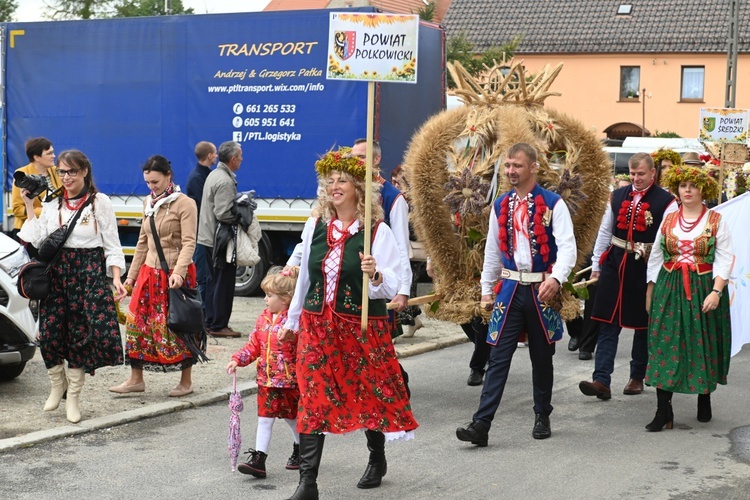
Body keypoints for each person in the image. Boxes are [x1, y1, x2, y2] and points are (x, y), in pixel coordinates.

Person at [280, 147, 418, 500]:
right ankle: (307, 483)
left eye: (342, 180)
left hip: (359, 327)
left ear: (358, 187)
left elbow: (388, 287)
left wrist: (375, 275)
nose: (335, 186)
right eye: (331, 181)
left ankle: (377, 456)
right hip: (317, 327)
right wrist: (292, 320)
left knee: (368, 393)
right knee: (312, 397)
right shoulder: (315, 225)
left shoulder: (377, 232)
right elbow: (306, 282)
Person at [455, 142, 576, 445]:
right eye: (507, 166)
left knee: (542, 356)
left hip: (541, 290)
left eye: (517, 166)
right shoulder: (500, 205)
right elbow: (493, 253)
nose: (510, 171)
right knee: (497, 356)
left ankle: (542, 414)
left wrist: (557, 278)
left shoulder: (553, 204)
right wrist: (486, 290)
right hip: (509, 290)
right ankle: (481, 424)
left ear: (533, 167)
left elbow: (568, 249)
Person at [18, 150, 127, 423]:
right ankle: (58, 385)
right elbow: (37, 238)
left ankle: (74, 397)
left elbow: (112, 244)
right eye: (63, 172)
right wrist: (31, 205)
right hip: (58, 271)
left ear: (85, 172)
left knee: (80, 335)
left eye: (72, 172)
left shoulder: (99, 202)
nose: (66, 177)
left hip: (87, 271)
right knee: (50, 332)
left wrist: (116, 278)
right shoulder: (54, 202)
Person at [579, 153, 675, 400]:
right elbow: (605, 231)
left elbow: (667, 239)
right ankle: (601, 380)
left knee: (642, 323)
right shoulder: (618, 195)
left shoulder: (667, 202)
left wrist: (657, 269)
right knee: (607, 321)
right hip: (615, 264)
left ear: (652, 173)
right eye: (632, 174)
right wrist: (596, 264)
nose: (636, 178)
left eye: (641, 174)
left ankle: (636, 376)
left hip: (645, 267)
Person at [643, 166, 732, 431]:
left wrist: (716, 292)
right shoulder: (669, 218)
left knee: (701, 341)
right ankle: (663, 411)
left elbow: (725, 258)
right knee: (664, 343)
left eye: (693, 186)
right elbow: (657, 257)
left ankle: (704, 396)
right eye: (683, 186)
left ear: (703, 189)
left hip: (704, 285)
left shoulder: (716, 219)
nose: (688, 190)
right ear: (677, 190)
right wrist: (650, 292)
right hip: (669, 286)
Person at [110, 155, 199, 397]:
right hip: (149, 274)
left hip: (174, 274)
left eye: (155, 182)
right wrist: (130, 277)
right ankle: (135, 379)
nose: (151, 187)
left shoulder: (185, 203)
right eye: (148, 182)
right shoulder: (148, 202)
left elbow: (190, 243)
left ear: (168, 176)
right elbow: (142, 242)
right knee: (137, 323)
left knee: (179, 324)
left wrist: (179, 272)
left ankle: (186, 382)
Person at [226, 268, 301, 478]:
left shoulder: (294, 322)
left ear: (286, 299)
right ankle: (259, 460)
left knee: (292, 418)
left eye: (269, 295)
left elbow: (304, 346)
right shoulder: (263, 319)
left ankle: (301, 448)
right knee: (265, 419)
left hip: (289, 381)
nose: (265, 300)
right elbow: (254, 346)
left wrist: (294, 337)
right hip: (267, 381)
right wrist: (237, 359)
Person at [197, 141, 244, 338]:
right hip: (218, 240)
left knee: (212, 282)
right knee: (222, 283)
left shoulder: (214, 174)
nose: (242, 160)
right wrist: (241, 214)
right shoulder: (224, 180)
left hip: (208, 237)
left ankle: (211, 321)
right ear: (232, 159)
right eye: (240, 156)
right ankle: (218, 325)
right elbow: (223, 213)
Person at [11, 137, 63, 255]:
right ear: (37, 157)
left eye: (53, 152)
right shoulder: (22, 176)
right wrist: (45, 211)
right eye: (49, 153)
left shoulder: (57, 172)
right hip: (28, 233)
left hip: (52, 231)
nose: (54, 156)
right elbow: (17, 209)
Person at [186, 141, 217, 310]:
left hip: (204, 231)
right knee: (202, 275)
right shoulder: (198, 178)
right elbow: (203, 206)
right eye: (215, 153)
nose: (217, 156)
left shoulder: (204, 175)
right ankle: (201, 312)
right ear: (209, 155)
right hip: (200, 232)